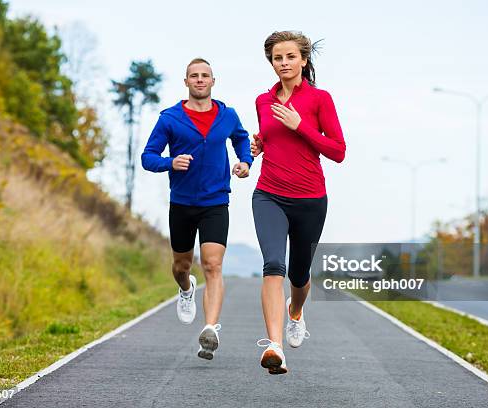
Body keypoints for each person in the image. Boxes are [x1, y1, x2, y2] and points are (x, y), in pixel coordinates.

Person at [141, 58, 253, 360]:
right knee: (182, 266)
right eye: (194, 76)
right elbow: (148, 156)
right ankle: (186, 289)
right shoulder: (170, 119)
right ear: (186, 82)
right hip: (182, 203)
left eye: (205, 76)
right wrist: (169, 162)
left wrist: (244, 163)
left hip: (216, 200)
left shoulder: (227, 115)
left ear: (213, 81)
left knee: (213, 265)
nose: (200, 80)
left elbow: (241, 140)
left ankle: (210, 329)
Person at [251, 31, 346, 374]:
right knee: (273, 264)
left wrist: (301, 125)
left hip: (309, 198)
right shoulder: (263, 101)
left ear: (304, 60)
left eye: (290, 57)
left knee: (300, 273)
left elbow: (338, 151)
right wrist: (258, 145)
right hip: (269, 194)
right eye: (278, 58)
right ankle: (274, 346)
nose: (284, 63)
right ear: (272, 63)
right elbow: (267, 136)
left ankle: (295, 312)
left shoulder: (320, 99)